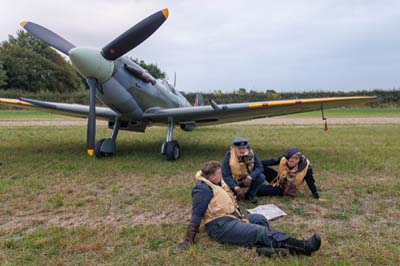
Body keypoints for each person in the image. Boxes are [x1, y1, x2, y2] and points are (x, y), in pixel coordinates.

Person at [178, 161, 321, 256]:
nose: (221, 176)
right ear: (211, 176)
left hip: (234, 217)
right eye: (218, 174)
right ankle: (303, 247)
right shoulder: (202, 189)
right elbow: (196, 215)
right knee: (259, 231)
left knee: (260, 219)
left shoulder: (217, 182)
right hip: (220, 226)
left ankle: (267, 248)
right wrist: (188, 240)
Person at [221, 138, 265, 203]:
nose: (242, 150)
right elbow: (225, 174)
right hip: (234, 180)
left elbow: (260, 167)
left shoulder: (252, 154)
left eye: (244, 148)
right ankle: (236, 195)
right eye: (239, 148)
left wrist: (250, 177)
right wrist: (235, 187)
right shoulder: (229, 155)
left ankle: (250, 195)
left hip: (246, 178)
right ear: (234, 148)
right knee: (225, 187)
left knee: (261, 177)